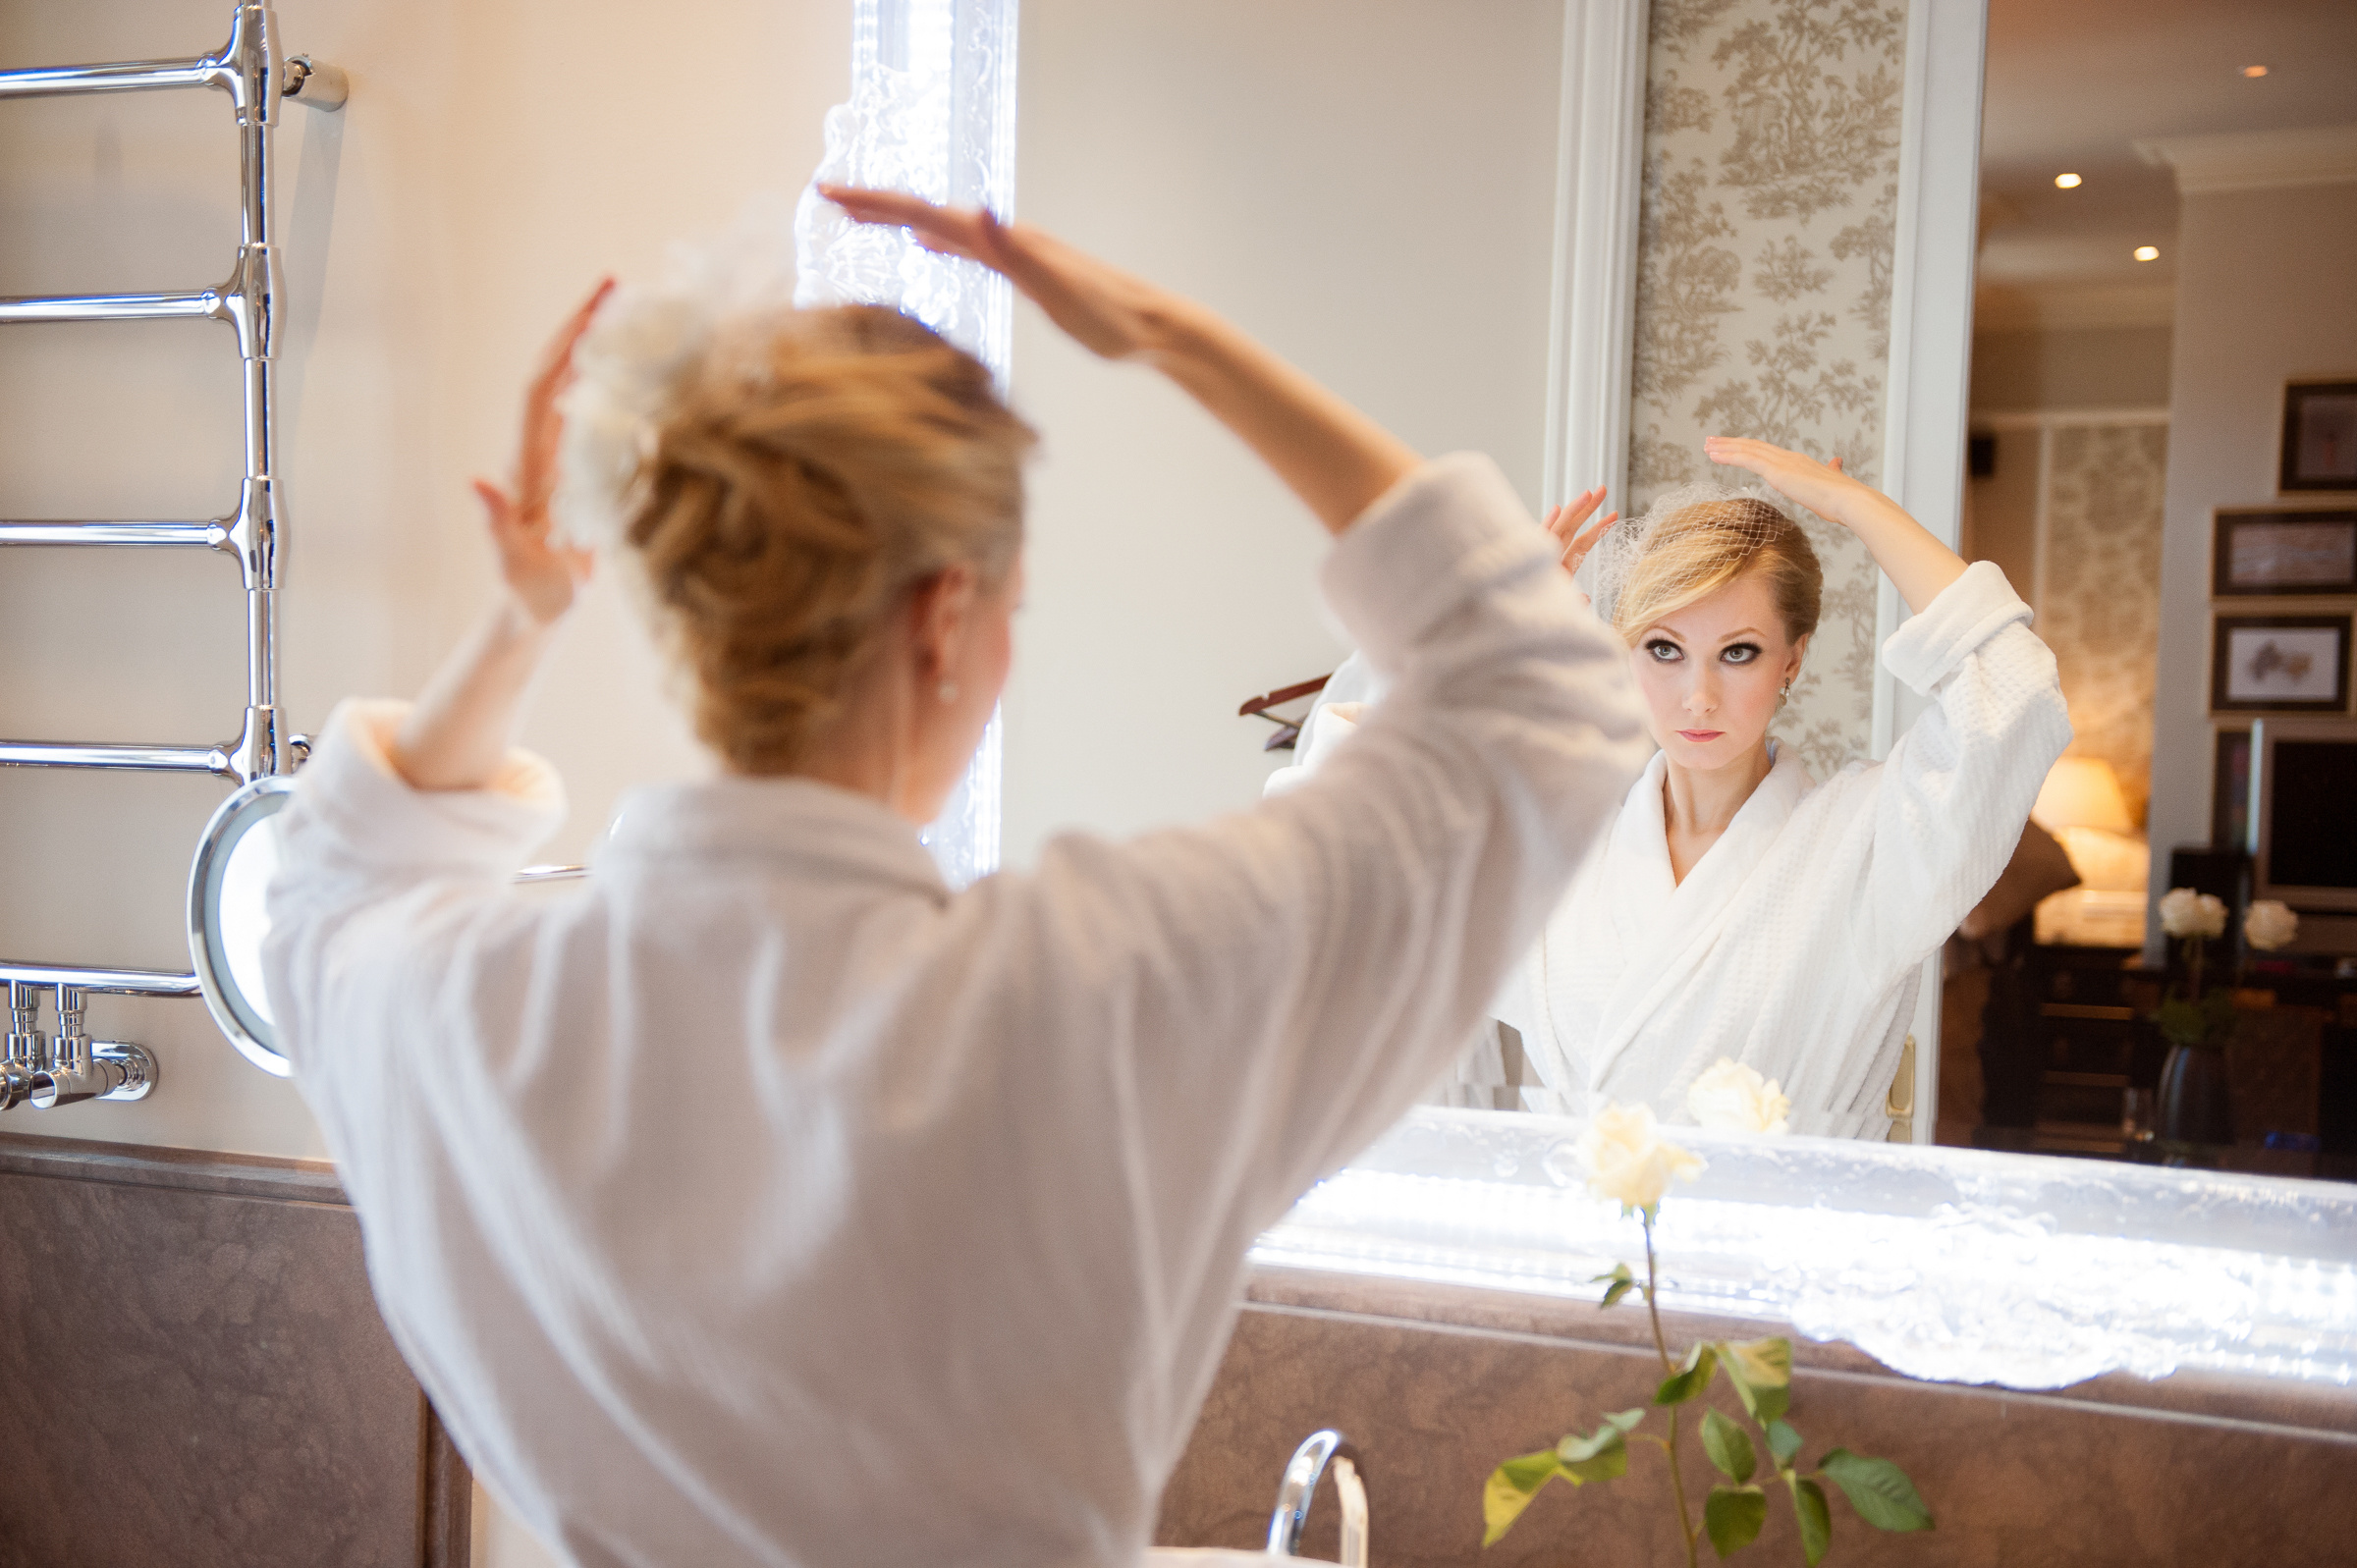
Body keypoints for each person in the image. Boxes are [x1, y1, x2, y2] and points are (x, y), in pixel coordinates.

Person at [259, 189, 1649, 1567]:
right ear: (945, 621)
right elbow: (1540, 699)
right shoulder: (1103, 985)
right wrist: (1171, 336)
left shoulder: (453, 1013)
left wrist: (517, 624)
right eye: (1012, 609)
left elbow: (324, 876)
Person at [1487, 447, 2072, 1136]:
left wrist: (1859, 505)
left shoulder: (1863, 848)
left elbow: (2011, 693)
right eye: (1664, 649)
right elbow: (1375, 837)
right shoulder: (1558, 851)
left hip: (1781, 1237)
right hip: (1581, 1236)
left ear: (1791, 659)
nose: (1698, 698)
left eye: (1738, 652)